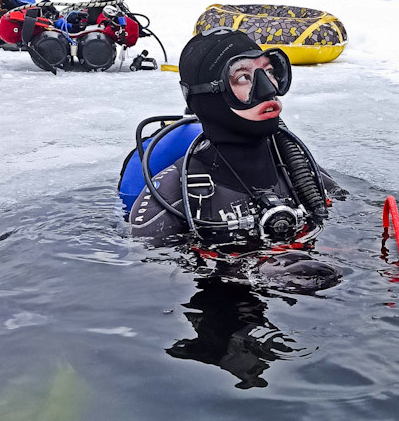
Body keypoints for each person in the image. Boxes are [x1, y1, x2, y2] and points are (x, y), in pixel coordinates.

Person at [130, 28, 341, 256]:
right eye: (243, 78)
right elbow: (150, 279)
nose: (269, 89)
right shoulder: (172, 197)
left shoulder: (297, 166)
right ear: (206, 96)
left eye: (268, 71)